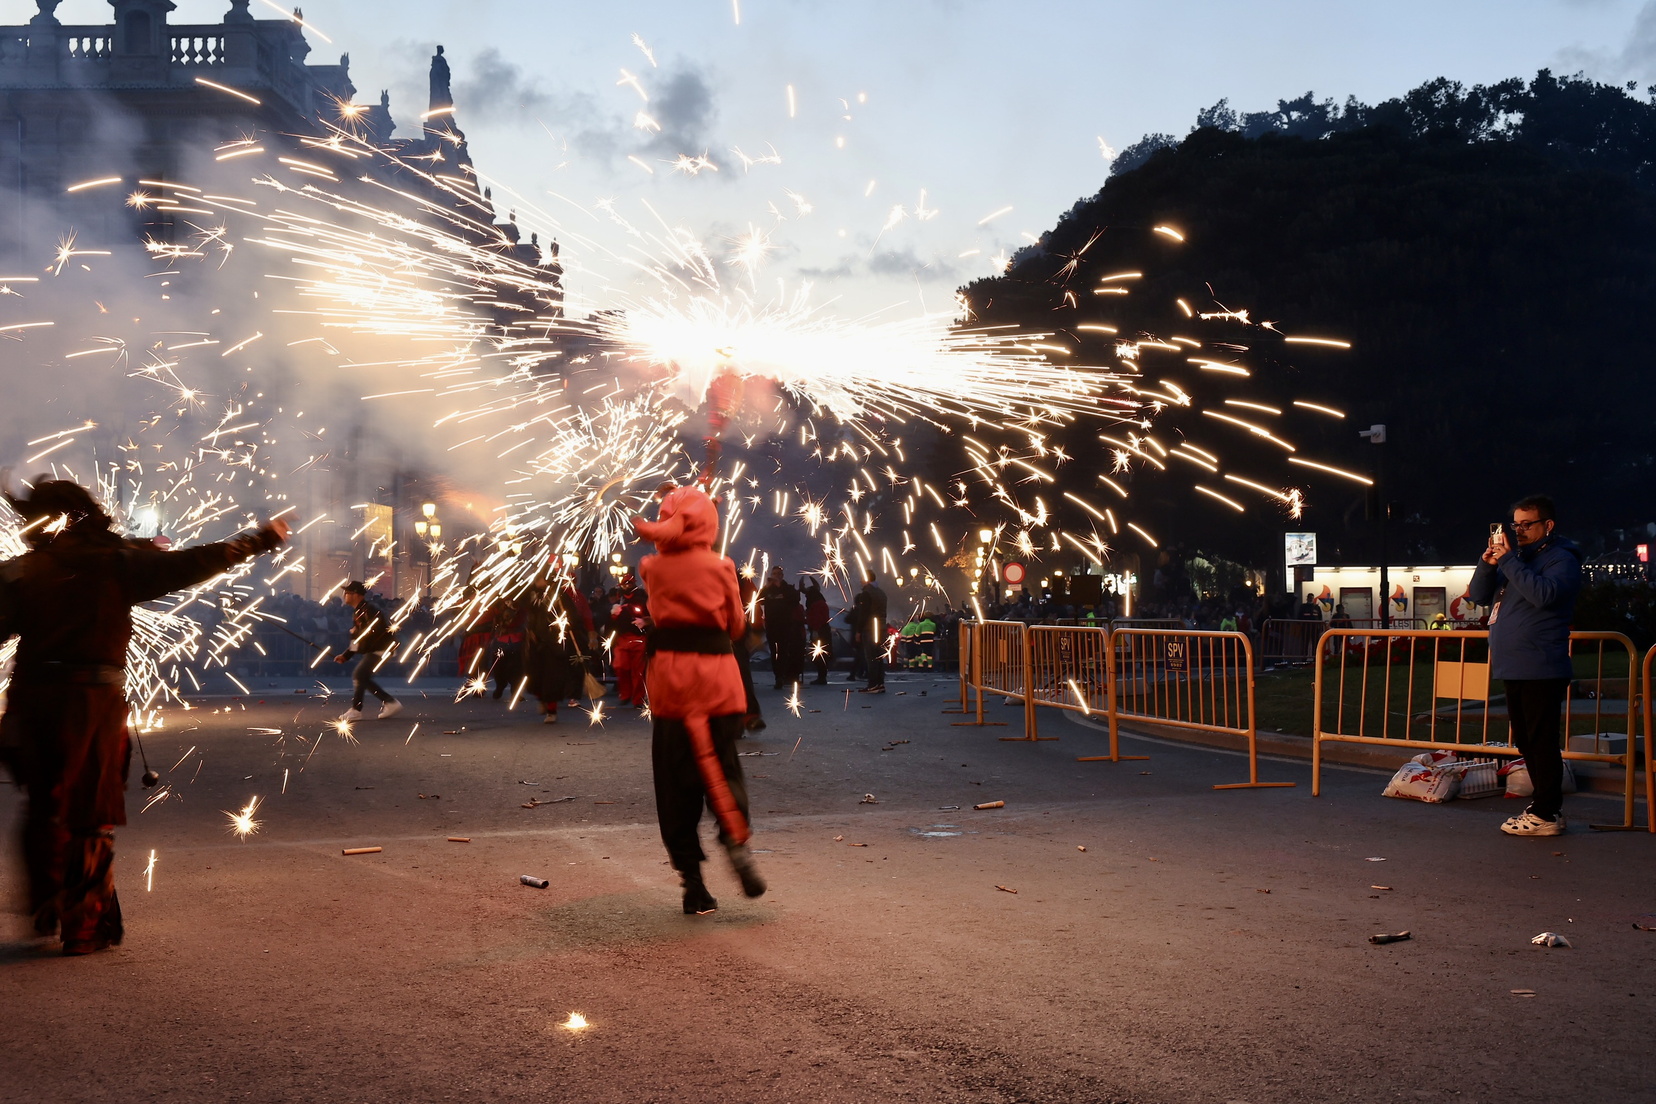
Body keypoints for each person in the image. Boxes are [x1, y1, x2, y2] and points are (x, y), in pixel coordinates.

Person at [0, 478, 289, 955]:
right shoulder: (119, 564)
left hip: (32, 704)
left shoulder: (22, 572)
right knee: (88, 812)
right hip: (91, 705)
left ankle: (50, 899)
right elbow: (195, 561)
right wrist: (259, 539)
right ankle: (83, 925)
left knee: (46, 802)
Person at [632, 485, 765, 915]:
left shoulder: (651, 567)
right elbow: (735, 624)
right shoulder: (721, 565)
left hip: (671, 684)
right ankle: (735, 841)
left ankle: (692, 881)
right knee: (724, 767)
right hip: (717, 683)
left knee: (675, 782)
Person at [1468, 495, 1582, 837]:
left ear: (1548, 525)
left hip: (1541, 664)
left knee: (1541, 740)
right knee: (1528, 742)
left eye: (1527, 524)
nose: (1519, 531)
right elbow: (1477, 594)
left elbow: (1545, 595)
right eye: (1515, 525)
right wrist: (1489, 563)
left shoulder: (1561, 559)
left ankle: (1547, 812)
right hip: (1514, 665)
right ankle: (1544, 808)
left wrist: (1510, 563)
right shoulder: (1517, 559)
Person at [524, 580, 593, 724]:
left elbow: (572, 616)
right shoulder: (533, 595)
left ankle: (551, 710)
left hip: (554, 642)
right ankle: (542, 699)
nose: (538, 582)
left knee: (551, 679)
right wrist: (530, 629)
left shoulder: (559, 595)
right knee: (535, 675)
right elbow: (531, 614)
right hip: (537, 642)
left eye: (541, 579)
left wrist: (563, 625)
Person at [334, 581, 402, 720]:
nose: (344, 595)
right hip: (378, 648)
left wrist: (358, 636)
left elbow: (372, 631)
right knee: (361, 677)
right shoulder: (359, 611)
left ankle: (358, 709)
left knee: (360, 675)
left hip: (382, 648)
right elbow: (357, 640)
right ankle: (388, 702)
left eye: (347, 593)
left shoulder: (369, 609)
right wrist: (345, 656)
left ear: (356, 595)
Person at [610, 573, 650, 708]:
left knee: (638, 671)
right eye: (625, 583)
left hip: (639, 638)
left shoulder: (643, 598)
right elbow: (611, 622)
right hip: (623, 638)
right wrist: (614, 616)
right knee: (620, 666)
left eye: (629, 583)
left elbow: (651, 615)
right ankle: (626, 694)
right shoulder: (619, 598)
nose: (627, 585)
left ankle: (638, 699)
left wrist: (645, 621)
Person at [759, 566, 803, 689]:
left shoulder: (788, 588)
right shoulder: (768, 590)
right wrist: (766, 587)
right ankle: (777, 676)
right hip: (771, 625)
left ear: (782, 575)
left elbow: (795, 599)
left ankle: (782, 675)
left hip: (785, 625)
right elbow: (758, 600)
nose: (776, 576)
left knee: (783, 651)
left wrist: (781, 591)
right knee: (773, 652)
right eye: (774, 574)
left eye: (778, 574)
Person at [859, 572, 889, 693]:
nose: (861, 581)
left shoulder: (866, 593)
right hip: (881, 627)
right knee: (879, 657)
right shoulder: (882, 593)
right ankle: (880, 683)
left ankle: (872, 684)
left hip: (870, 628)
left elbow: (863, 614)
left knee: (871, 657)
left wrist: (858, 630)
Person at [801, 575, 833, 685]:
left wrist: (814, 630)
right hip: (823, 630)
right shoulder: (821, 603)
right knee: (821, 654)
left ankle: (821, 677)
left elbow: (816, 620)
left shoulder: (815, 605)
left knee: (819, 655)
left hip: (818, 631)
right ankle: (822, 676)